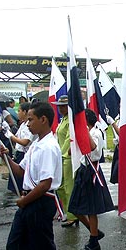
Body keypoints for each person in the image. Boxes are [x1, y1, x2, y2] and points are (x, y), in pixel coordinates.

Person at [2, 101, 64, 250]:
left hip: (39, 202)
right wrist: (7, 158)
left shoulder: (49, 147)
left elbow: (45, 183)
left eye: (30, 119)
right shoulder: (36, 145)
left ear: (43, 119)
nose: (27, 124)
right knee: (15, 249)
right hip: (29, 200)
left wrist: (25, 201)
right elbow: (21, 171)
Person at [68, 109, 114, 250]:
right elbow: (72, 151)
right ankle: (94, 232)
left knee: (91, 209)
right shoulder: (87, 132)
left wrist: (83, 131)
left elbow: (93, 148)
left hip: (91, 171)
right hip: (83, 169)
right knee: (74, 207)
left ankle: (93, 241)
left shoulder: (95, 133)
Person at [52, 96, 77, 226]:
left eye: (63, 106)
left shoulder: (70, 120)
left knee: (68, 187)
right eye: (60, 106)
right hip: (60, 156)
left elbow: (69, 139)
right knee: (60, 186)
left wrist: (63, 153)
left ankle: (73, 215)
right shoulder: (63, 120)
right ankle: (67, 211)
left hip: (67, 157)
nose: (61, 108)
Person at [4, 102, 37, 194]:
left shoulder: (29, 126)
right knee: (14, 181)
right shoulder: (22, 125)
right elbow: (16, 137)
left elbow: (25, 142)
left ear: (25, 112)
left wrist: (11, 137)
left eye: (19, 111)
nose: (17, 113)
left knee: (21, 181)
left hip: (24, 154)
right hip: (18, 153)